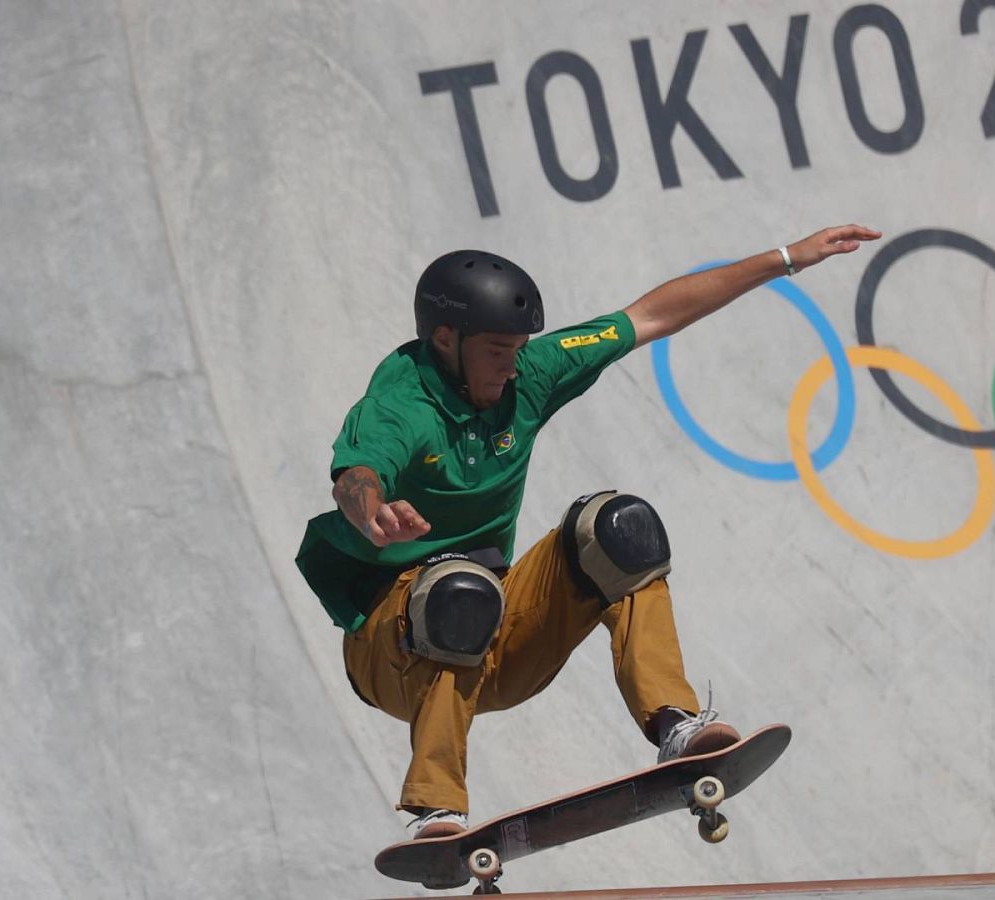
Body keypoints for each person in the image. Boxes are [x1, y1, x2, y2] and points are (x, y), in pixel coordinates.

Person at [295, 225, 881, 840]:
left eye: (519, 348)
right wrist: (373, 513)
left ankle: (674, 724)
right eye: (497, 350)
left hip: (497, 640)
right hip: (390, 655)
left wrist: (785, 258)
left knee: (620, 529)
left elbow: (650, 317)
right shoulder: (401, 405)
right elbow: (355, 477)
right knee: (455, 588)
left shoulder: (529, 374)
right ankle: (437, 808)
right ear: (446, 338)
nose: (512, 365)